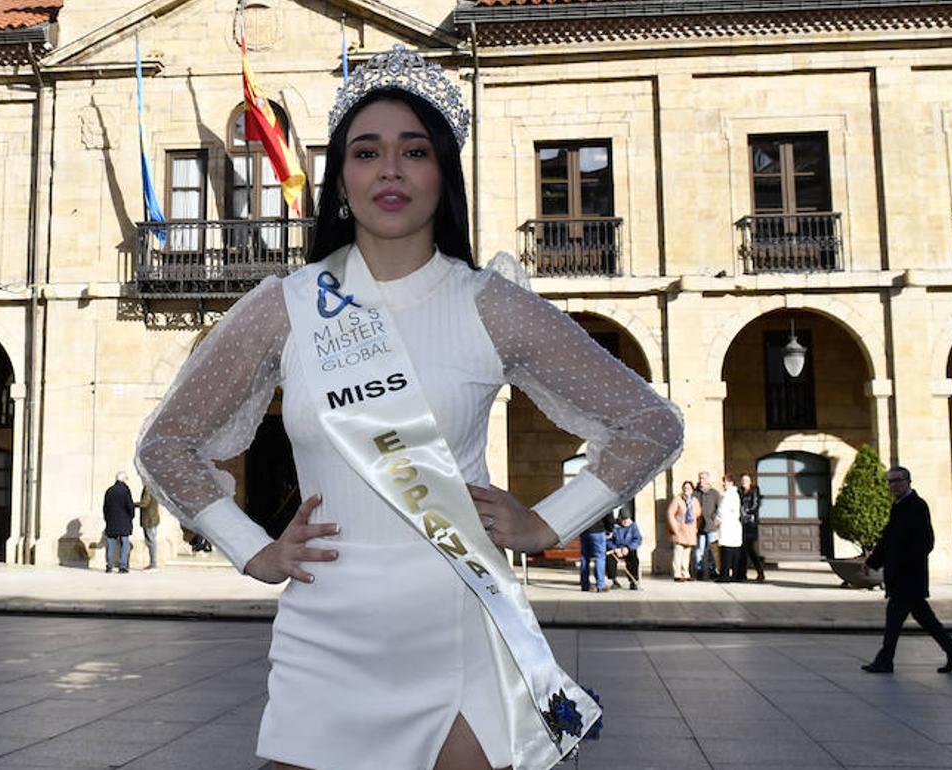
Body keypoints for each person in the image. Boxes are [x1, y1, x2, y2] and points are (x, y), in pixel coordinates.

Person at [135, 46, 683, 770]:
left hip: (455, 614)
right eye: (366, 152)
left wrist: (547, 522)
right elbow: (167, 442)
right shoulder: (287, 307)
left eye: (413, 150)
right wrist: (252, 549)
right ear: (342, 179)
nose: (389, 169)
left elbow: (651, 424)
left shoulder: (492, 305)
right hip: (325, 623)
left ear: (441, 173)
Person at [861, 466, 952, 674]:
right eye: (890, 481)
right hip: (903, 578)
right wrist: (872, 562)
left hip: (908, 577)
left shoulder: (916, 506)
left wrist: (905, 564)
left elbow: (926, 542)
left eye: (897, 481)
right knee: (927, 621)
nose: (893, 485)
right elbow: (888, 540)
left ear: (908, 481)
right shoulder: (899, 506)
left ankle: (885, 660)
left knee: (894, 620)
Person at [102, 472, 135, 574]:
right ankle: (123, 566)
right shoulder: (125, 490)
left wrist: (107, 519)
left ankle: (109, 566)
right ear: (124, 480)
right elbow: (130, 506)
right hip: (124, 521)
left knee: (110, 543)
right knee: (125, 543)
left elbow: (105, 507)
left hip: (111, 521)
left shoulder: (109, 490)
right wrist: (131, 516)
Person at [666, 481, 697, 582]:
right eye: (685, 488)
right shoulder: (677, 500)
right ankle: (677, 574)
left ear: (692, 490)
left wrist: (696, 528)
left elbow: (698, 515)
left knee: (687, 554)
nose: (686, 490)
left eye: (688, 488)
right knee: (678, 553)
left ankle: (686, 573)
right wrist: (674, 528)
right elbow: (670, 513)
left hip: (690, 531)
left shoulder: (694, 501)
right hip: (679, 530)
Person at [738, 472, 765, 582]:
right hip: (741, 523)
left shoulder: (754, 491)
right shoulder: (739, 491)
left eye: (746, 480)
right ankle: (742, 574)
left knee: (750, 549)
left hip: (751, 523)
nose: (744, 482)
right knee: (742, 549)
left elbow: (755, 505)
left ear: (750, 481)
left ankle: (760, 572)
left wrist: (746, 512)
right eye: (742, 480)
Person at [606, 508, 642, 590]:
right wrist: (615, 548)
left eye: (627, 519)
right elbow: (608, 540)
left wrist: (628, 548)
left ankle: (633, 581)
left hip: (628, 548)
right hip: (616, 548)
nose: (626, 521)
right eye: (623, 519)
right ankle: (613, 580)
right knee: (610, 558)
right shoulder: (614, 526)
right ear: (619, 518)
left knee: (633, 559)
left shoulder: (633, 526)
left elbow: (638, 539)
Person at [694, 471, 721, 579]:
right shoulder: (695, 493)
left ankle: (712, 569)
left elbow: (719, 507)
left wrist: (713, 518)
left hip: (711, 526)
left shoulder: (714, 493)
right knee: (699, 549)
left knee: (712, 550)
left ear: (708, 479)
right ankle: (699, 570)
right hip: (699, 526)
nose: (702, 480)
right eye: (700, 478)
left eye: (704, 478)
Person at [715, 474, 743, 582]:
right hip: (734, 525)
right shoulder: (735, 494)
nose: (723, 484)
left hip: (727, 525)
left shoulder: (727, 495)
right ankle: (735, 574)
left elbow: (722, 511)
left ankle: (725, 575)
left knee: (726, 552)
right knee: (735, 550)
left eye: (725, 482)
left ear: (730, 483)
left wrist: (716, 522)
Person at [580, 512, 614, 592]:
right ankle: (600, 585)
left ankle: (584, 585)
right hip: (598, 530)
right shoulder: (603, 499)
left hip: (584, 530)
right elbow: (608, 514)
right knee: (600, 558)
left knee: (584, 558)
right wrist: (610, 529)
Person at [136, 487, 160, 571]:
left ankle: (153, 564)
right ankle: (152, 563)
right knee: (151, 541)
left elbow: (145, 503)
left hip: (149, 519)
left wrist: (133, 504)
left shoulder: (148, 489)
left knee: (151, 542)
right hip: (153, 518)